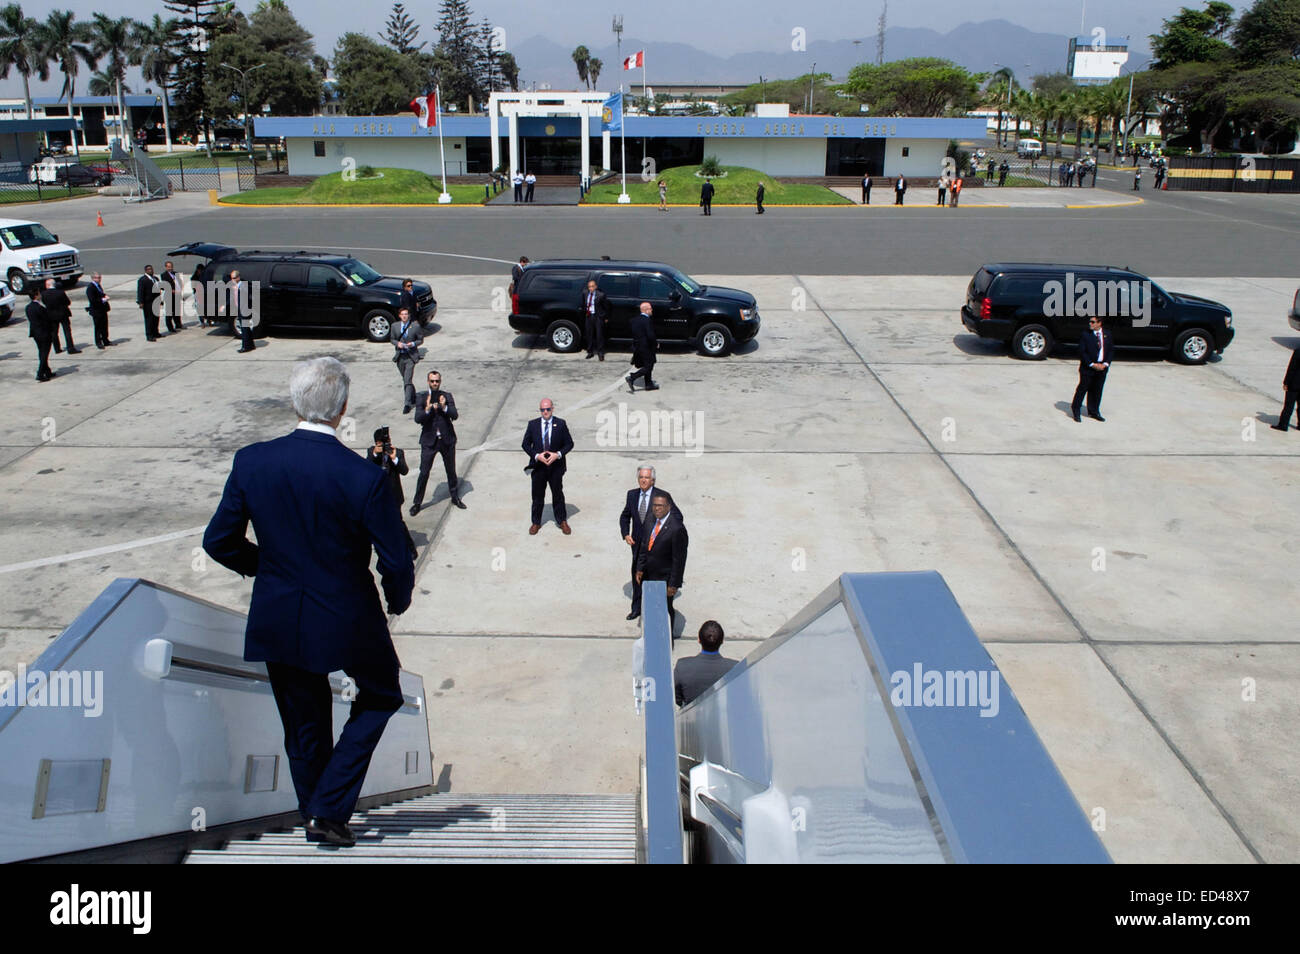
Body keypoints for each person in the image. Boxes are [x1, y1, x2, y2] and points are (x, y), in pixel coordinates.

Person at [202, 357, 414, 848]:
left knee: (303, 724)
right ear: (342, 409)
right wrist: (396, 600)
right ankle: (329, 807)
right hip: (348, 615)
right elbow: (396, 559)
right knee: (381, 694)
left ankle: (314, 812)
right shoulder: (363, 477)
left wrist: (268, 569)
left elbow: (219, 541)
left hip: (280, 612)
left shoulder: (252, 460)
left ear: (295, 402)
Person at [620, 466, 684, 620]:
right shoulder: (632, 495)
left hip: (657, 547)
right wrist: (626, 534)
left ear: (653, 480)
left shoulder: (662, 497)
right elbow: (625, 515)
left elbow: (677, 517)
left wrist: (661, 532)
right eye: (641, 477)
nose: (643, 480)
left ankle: (660, 612)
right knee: (637, 576)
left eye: (647, 477)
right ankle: (636, 608)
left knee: (656, 578)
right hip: (637, 546)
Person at [410, 369, 465, 513]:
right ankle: (417, 502)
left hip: (446, 440)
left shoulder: (446, 396)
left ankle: (455, 497)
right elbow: (418, 418)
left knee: (451, 470)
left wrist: (444, 407)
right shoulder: (421, 397)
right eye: (432, 381)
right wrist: (427, 409)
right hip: (429, 441)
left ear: (440, 382)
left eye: (437, 381)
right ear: (428, 382)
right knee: (424, 472)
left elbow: (455, 415)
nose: (435, 384)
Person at [636, 491, 688, 637]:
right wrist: (640, 568)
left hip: (665, 577)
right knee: (650, 606)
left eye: (660, 506)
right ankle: (651, 634)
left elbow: (679, 559)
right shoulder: (650, 520)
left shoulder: (677, 529)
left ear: (668, 507)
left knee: (665, 607)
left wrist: (674, 584)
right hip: (648, 573)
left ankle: (666, 637)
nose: (656, 508)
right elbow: (644, 545)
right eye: (654, 505)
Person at [522, 398, 573, 535]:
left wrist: (558, 454)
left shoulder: (560, 424)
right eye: (542, 410)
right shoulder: (533, 425)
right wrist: (536, 455)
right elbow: (525, 444)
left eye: (548, 409)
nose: (545, 412)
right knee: (537, 496)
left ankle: (562, 521)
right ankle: (536, 522)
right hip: (539, 467)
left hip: (555, 467)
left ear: (552, 409)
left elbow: (569, 444)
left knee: (557, 494)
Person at [368, 426, 416, 560]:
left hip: (393, 495)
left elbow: (405, 470)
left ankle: (410, 548)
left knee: (398, 523)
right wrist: (376, 454)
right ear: (376, 443)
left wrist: (394, 459)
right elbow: (367, 467)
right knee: (379, 524)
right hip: (378, 496)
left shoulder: (398, 452)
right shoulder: (372, 452)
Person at [674, 620, 738, 706]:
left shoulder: (682, 665)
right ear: (722, 641)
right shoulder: (735, 668)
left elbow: (677, 698)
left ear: (699, 640)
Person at [1071, 316, 1112, 422]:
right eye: (1090, 322)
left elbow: (1111, 350)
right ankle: (1076, 410)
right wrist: (1091, 364)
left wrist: (1105, 364)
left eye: (1093, 322)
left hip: (1102, 368)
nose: (1090, 324)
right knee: (1082, 389)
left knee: (1097, 390)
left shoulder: (1107, 334)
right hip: (1088, 368)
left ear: (1100, 323)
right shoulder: (1086, 335)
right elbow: (1082, 351)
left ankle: (1094, 411)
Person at [390, 306, 423, 413]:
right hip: (400, 357)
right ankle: (413, 396)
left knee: (407, 380)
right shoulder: (394, 326)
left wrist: (412, 344)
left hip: (410, 357)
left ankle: (407, 404)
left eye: (406, 314)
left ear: (409, 315)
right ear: (399, 316)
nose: (404, 316)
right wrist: (397, 343)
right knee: (405, 380)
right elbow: (392, 339)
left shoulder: (415, 326)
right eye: (402, 314)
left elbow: (420, 340)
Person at [626, 302, 658, 392]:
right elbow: (650, 335)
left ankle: (648, 384)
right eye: (650, 308)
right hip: (646, 346)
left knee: (647, 364)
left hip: (637, 346)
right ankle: (632, 377)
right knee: (649, 366)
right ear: (646, 310)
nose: (652, 310)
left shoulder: (634, 320)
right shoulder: (647, 320)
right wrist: (655, 343)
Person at [42, 278, 77, 354]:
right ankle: (70, 348)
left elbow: (44, 302)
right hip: (63, 314)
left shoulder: (44, 294)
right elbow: (67, 302)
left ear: (48, 285)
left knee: (54, 332)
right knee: (67, 331)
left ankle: (57, 348)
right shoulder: (60, 292)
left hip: (51, 315)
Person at [26, 289, 55, 382]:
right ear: (36, 296)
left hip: (35, 333)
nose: (40, 295)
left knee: (42, 352)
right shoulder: (40, 308)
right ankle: (40, 373)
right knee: (44, 354)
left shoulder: (28, 307)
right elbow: (46, 320)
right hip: (44, 333)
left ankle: (47, 371)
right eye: (38, 293)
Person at [1270, 349, 1300, 431]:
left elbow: (1292, 368)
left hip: (1294, 383)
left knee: (1289, 405)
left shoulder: (1298, 351)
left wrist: (1286, 382)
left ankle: (1283, 425)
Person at [227, 269, 255, 353]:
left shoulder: (243, 286)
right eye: (231, 278)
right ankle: (251, 344)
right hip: (239, 309)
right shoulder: (236, 286)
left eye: (234, 278)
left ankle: (245, 346)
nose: (233, 280)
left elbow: (246, 298)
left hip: (244, 309)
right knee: (246, 328)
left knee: (244, 328)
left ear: (238, 277)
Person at [583, 278, 608, 361]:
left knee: (599, 335)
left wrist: (604, 317)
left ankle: (600, 352)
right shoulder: (585, 293)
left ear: (596, 287)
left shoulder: (601, 295)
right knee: (589, 334)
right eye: (589, 287)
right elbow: (584, 303)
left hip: (597, 316)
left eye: (592, 286)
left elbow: (605, 307)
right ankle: (590, 351)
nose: (591, 288)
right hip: (589, 315)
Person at [137, 264, 163, 342]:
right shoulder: (142, 280)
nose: (150, 270)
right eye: (148, 269)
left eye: (151, 269)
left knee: (156, 318)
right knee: (149, 319)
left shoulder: (155, 278)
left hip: (156, 301)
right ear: (145, 271)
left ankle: (156, 332)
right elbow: (140, 291)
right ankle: (149, 335)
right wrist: (140, 302)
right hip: (148, 302)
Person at [86, 272, 112, 349]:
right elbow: (92, 300)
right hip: (96, 310)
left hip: (102, 310)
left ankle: (105, 340)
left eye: (100, 277)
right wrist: (103, 299)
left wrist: (104, 295)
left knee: (104, 326)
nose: (99, 279)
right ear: (93, 278)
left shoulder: (98, 286)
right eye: (97, 278)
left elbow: (100, 294)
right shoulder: (90, 287)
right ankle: (98, 342)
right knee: (98, 327)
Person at [160, 260, 184, 332]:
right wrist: (171, 290)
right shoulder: (164, 275)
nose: (170, 268)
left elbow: (179, 282)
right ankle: (170, 327)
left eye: (171, 266)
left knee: (177, 311)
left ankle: (178, 324)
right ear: (166, 267)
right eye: (169, 267)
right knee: (169, 312)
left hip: (177, 295)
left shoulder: (175, 273)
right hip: (169, 296)